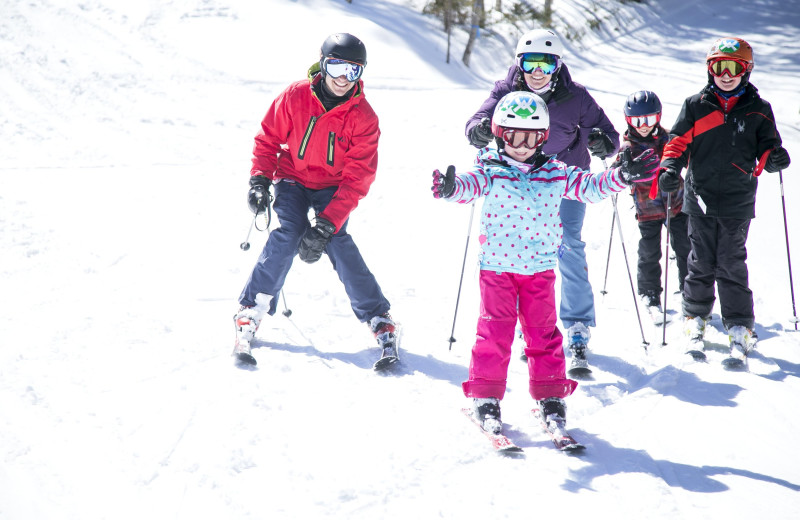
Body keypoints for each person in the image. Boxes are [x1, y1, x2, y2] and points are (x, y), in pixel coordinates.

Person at [432, 91, 659, 434]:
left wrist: (621, 176)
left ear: (543, 138)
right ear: (499, 135)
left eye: (531, 137)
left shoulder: (555, 172)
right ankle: (485, 397)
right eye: (513, 136)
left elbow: (591, 187)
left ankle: (551, 397)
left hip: (539, 271)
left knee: (545, 336)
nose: (521, 145)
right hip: (498, 269)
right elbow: (468, 186)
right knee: (494, 332)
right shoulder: (491, 170)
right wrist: (450, 188)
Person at [232, 33, 398, 369]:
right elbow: (268, 141)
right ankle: (251, 309)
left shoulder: (363, 117)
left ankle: (379, 318)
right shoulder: (295, 96)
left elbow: (357, 178)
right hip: (293, 177)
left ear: (360, 74)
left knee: (335, 238)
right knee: (289, 232)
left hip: (333, 188)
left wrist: (326, 223)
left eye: (352, 71)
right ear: (322, 64)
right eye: (335, 67)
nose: (341, 79)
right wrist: (260, 179)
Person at [465, 29, 619, 372]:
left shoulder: (575, 96)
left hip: (564, 179)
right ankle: (531, 330)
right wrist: (478, 130)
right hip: (517, 180)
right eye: (531, 62)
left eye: (547, 63)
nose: (538, 71)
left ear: (557, 65)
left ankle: (577, 326)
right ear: (519, 63)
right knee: (521, 253)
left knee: (568, 245)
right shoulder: (506, 90)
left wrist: (602, 143)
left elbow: (609, 134)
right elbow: (477, 119)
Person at [658, 37, 791, 359]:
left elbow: (767, 147)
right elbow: (677, 142)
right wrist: (670, 167)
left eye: (734, 67)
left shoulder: (759, 110)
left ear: (746, 71)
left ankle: (740, 322)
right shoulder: (695, 105)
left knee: (731, 261)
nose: (726, 74)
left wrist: (773, 158)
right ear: (710, 69)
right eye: (720, 67)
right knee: (700, 260)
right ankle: (695, 316)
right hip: (699, 194)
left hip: (737, 198)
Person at [611, 90, 690, 322]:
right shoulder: (628, 147)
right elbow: (613, 174)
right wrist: (620, 171)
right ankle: (649, 292)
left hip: (676, 203)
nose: (643, 126)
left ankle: (690, 291)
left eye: (648, 119)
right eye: (636, 121)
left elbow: (683, 155)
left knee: (685, 246)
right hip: (647, 209)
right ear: (628, 120)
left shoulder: (668, 138)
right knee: (649, 251)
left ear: (658, 117)